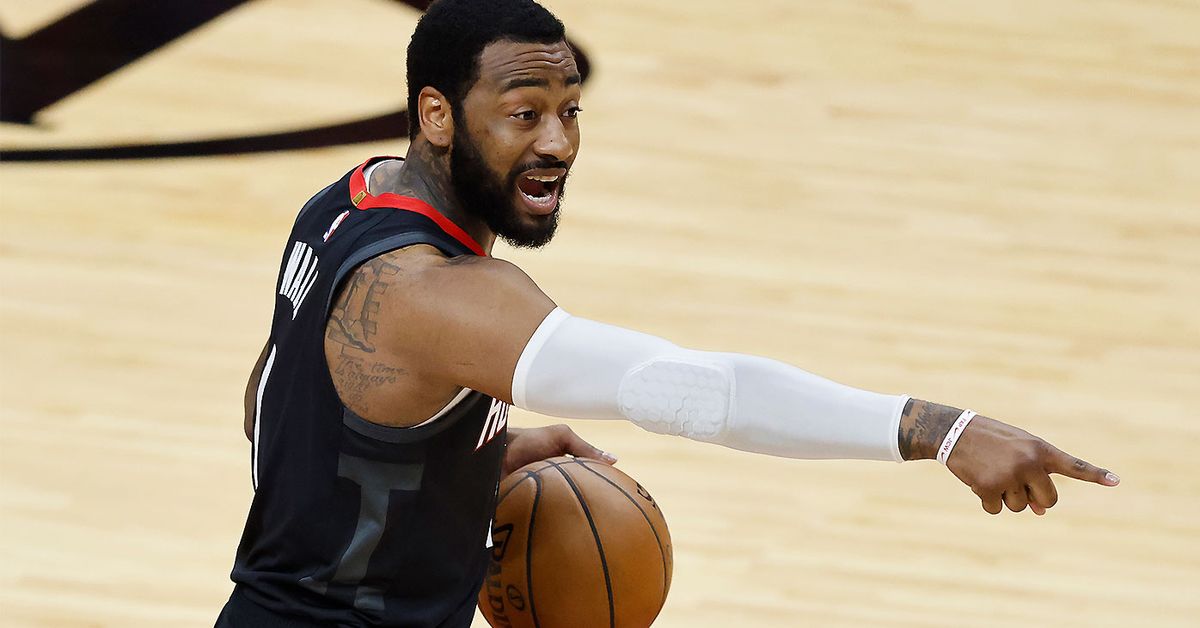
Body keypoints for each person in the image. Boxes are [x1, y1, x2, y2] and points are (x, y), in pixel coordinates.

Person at [217, 0, 1119, 625]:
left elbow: (272, 404)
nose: (559, 144)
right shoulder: (438, 292)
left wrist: (445, 466)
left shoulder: (346, 201)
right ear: (438, 114)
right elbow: (691, 390)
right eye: (524, 113)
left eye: (570, 110)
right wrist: (941, 430)